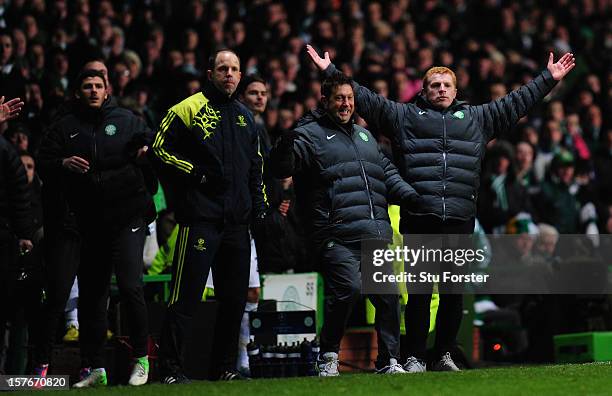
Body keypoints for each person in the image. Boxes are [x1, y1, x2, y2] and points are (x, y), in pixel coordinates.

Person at [307, 45, 575, 371]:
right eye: (435, 85)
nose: (441, 89)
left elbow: (515, 102)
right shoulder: (404, 117)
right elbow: (364, 98)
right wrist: (330, 70)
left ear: (456, 90)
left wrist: (548, 78)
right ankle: (416, 356)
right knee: (419, 294)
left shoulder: (476, 118)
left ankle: (445, 353)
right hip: (420, 217)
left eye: (447, 85)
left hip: (460, 219)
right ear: (424, 90)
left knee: (452, 294)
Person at [270, 73, 422, 376]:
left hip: (374, 232)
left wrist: (411, 196)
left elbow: (386, 173)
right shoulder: (309, 135)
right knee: (349, 290)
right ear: (325, 100)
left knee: (389, 296)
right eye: (340, 98)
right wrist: (284, 146)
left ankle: (389, 360)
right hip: (336, 234)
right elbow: (281, 167)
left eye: (350, 99)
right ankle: (327, 354)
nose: (346, 104)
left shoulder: (365, 136)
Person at [151, 49, 267, 383]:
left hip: (236, 225)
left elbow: (256, 167)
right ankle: (170, 369)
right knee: (184, 297)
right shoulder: (187, 108)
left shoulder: (247, 119)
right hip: (200, 220)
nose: (229, 74)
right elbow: (159, 149)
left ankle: (225, 368)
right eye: (222, 69)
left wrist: (259, 206)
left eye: (234, 69)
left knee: (233, 304)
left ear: (240, 76)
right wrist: (195, 173)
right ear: (210, 73)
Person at [38, 69, 154, 387]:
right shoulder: (65, 127)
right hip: (92, 222)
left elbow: (152, 144)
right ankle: (94, 369)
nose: (93, 91)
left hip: (128, 216)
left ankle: (141, 360)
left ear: (107, 90)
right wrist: (63, 164)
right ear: (78, 92)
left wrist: (146, 153)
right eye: (87, 86)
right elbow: (43, 161)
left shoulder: (127, 120)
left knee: (131, 286)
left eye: (98, 86)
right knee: (93, 296)